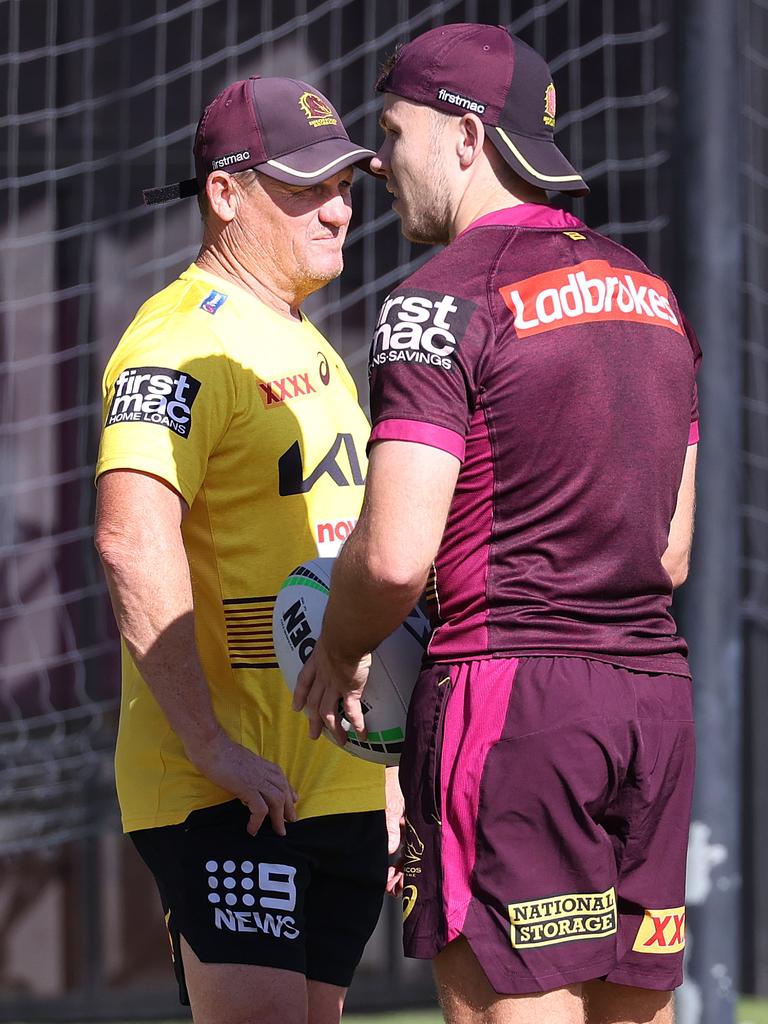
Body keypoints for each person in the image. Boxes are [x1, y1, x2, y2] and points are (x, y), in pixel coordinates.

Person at [294, 24, 699, 1024]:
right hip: (652, 704)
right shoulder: (653, 295)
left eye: (393, 132)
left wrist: (341, 652)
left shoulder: (437, 301)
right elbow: (674, 551)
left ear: (468, 138)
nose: (379, 161)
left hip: (511, 707)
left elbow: (392, 557)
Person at [94, 75, 401, 1024]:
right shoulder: (178, 341)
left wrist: (385, 765)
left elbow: (346, 561)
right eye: (305, 188)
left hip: (335, 775)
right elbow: (128, 537)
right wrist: (209, 746)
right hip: (223, 784)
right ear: (224, 195)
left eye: (346, 185)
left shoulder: (308, 343)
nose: (339, 209)